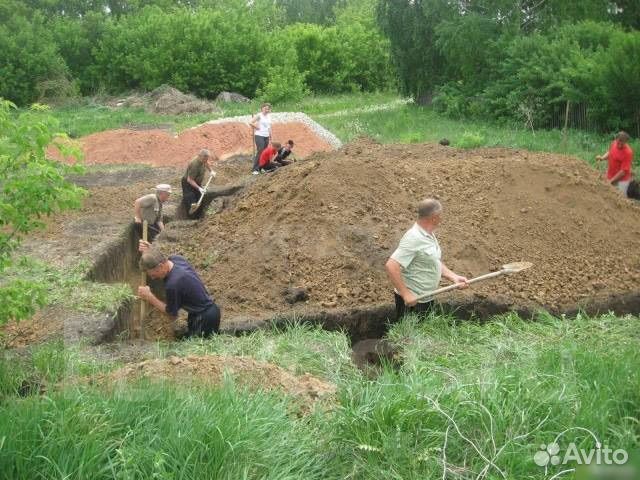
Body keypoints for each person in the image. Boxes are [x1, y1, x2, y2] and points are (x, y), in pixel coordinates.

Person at [385, 198, 468, 320]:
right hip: (413, 303)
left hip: (427, 298)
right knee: (409, 338)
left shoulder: (429, 234)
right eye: (440, 216)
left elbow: (433, 261)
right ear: (434, 218)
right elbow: (391, 265)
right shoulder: (414, 238)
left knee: (423, 335)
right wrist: (406, 294)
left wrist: (453, 277)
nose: (441, 219)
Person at [137, 240, 221, 337]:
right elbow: (161, 257)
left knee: (198, 348)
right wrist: (150, 251)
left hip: (204, 318)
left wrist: (149, 297)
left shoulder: (173, 284)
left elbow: (172, 313)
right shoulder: (176, 259)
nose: (153, 278)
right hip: (206, 313)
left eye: (153, 274)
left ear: (160, 266)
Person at [596, 131, 634, 196]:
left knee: (621, 200)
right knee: (607, 197)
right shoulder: (613, 143)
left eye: (622, 143)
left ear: (625, 142)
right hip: (610, 176)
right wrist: (602, 158)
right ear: (616, 139)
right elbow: (610, 152)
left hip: (622, 181)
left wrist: (611, 181)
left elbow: (623, 172)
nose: (620, 144)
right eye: (619, 141)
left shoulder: (628, 153)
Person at [182, 149, 215, 215]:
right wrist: (199, 188)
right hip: (187, 183)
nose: (205, 161)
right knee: (191, 199)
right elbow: (189, 180)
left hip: (196, 182)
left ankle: (199, 215)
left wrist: (211, 171)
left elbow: (206, 163)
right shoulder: (195, 164)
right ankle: (190, 216)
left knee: (199, 197)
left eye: (206, 159)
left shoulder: (204, 160)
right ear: (199, 156)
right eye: (204, 159)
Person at [250, 103, 272, 174]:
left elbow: (269, 127)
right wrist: (256, 127)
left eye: (268, 109)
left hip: (266, 136)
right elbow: (250, 122)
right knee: (260, 151)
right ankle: (255, 169)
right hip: (259, 135)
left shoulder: (269, 116)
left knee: (265, 152)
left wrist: (270, 135)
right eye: (265, 108)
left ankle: (262, 167)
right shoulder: (259, 115)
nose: (267, 110)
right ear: (262, 108)